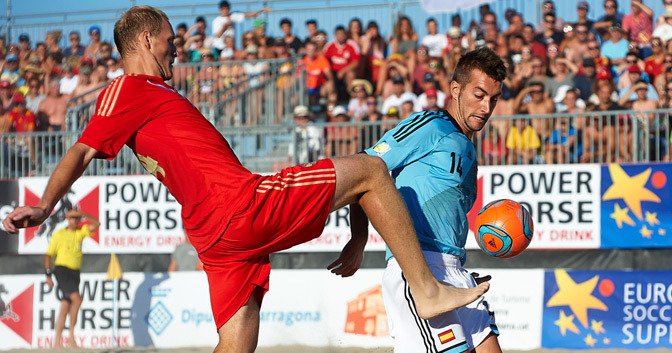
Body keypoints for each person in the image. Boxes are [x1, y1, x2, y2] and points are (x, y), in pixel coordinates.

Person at [2, 6, 489, 353]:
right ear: (146, 40)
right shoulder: (127, 89)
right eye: (170, 38)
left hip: (215, 235)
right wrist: (46, 206)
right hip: (236, 205)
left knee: (237, 338)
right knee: (371, 169)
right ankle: (427, 290)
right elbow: (83, 148)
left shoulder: (148, 95)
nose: (177, 47)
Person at [350, 47, 505, 353]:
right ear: (456, 90)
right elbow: (363, 166)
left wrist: (456, 262)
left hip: (456, 270)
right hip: (420, 270)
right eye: (479, 95)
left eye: (493, 99)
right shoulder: (430, 125)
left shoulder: (467, 148)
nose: (486, 107)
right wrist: (358, 238)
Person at [44, 209, 100, 348]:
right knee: (77, 299)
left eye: (76, 218)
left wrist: (84, 214)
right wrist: (48, 275)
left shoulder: (80, 232)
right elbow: (48, 255)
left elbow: (97, 224)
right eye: (71, 218)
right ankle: (71, 337)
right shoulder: (59, 234)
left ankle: (56, 341)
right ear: (67, 219)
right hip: (62, 270)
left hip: (75, 272)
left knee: (66, 305)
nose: (74, 221)